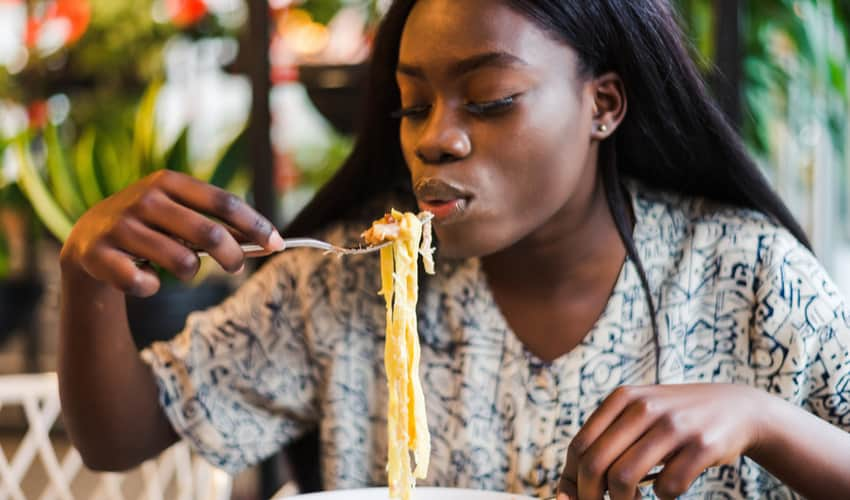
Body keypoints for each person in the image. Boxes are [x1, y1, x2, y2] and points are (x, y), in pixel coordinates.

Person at [57, 0, 850, 499]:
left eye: (490, 100)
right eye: (412, 105)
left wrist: (768, 422)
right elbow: (118, 438)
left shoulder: (748, 276)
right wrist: (87, 279)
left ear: (602, 104)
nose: (435, 138)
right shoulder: (341, 281)